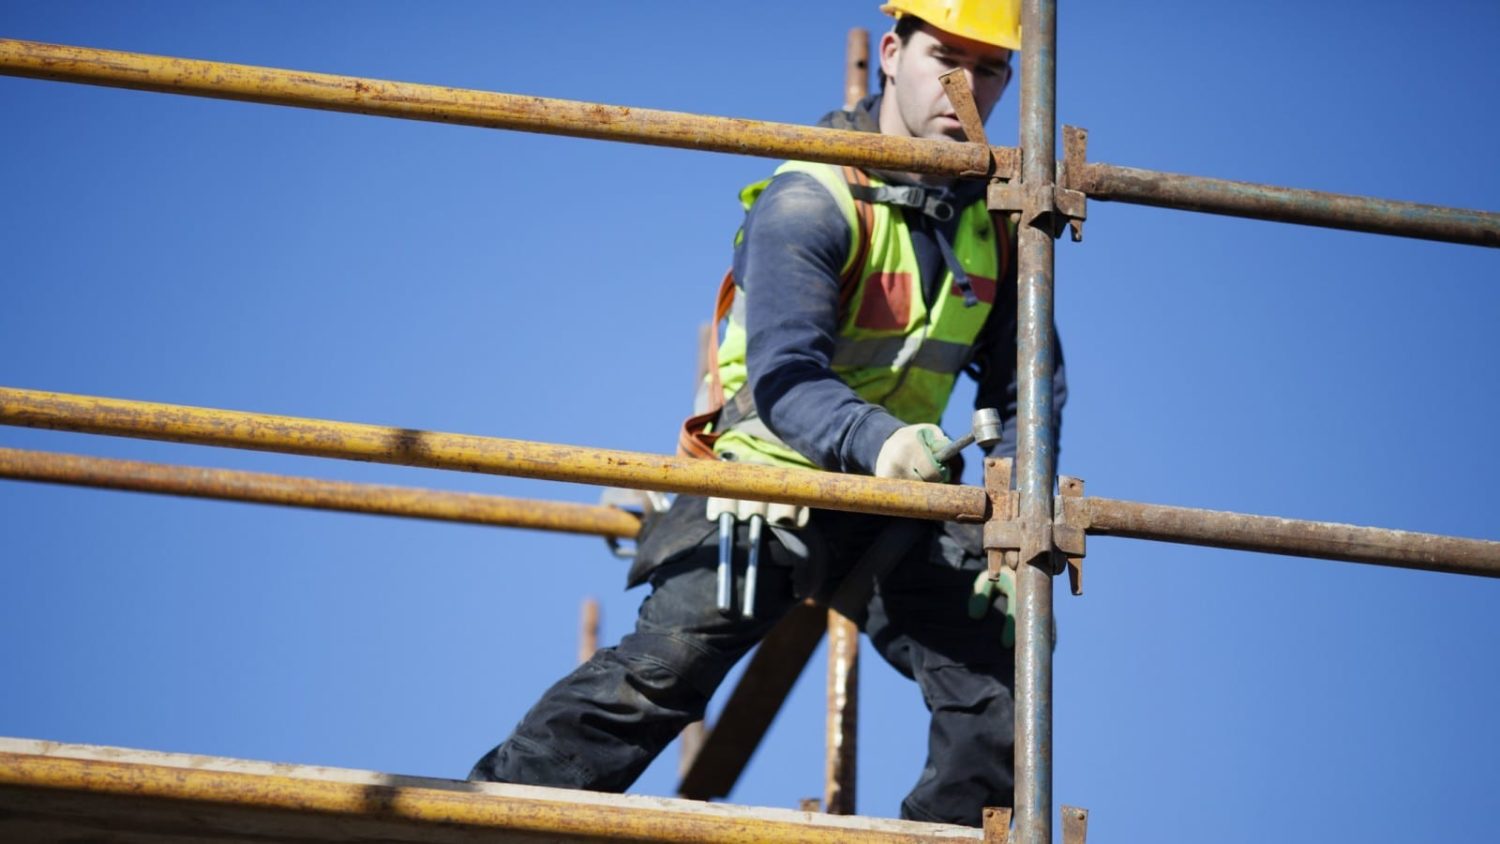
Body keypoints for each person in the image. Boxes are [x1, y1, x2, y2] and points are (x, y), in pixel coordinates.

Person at [469, 0, 1066, 827]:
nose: (964, 85)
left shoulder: (1000, 226)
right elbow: (786, 375)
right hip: (765, 482)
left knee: (1006, 681)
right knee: (660, 676)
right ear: (890, 54)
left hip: (902, 503)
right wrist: (881, 442)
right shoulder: (811, 197)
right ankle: (488, 814)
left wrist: (1016, 518)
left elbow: (1033, 386)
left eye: (991, 68)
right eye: (944, 58)